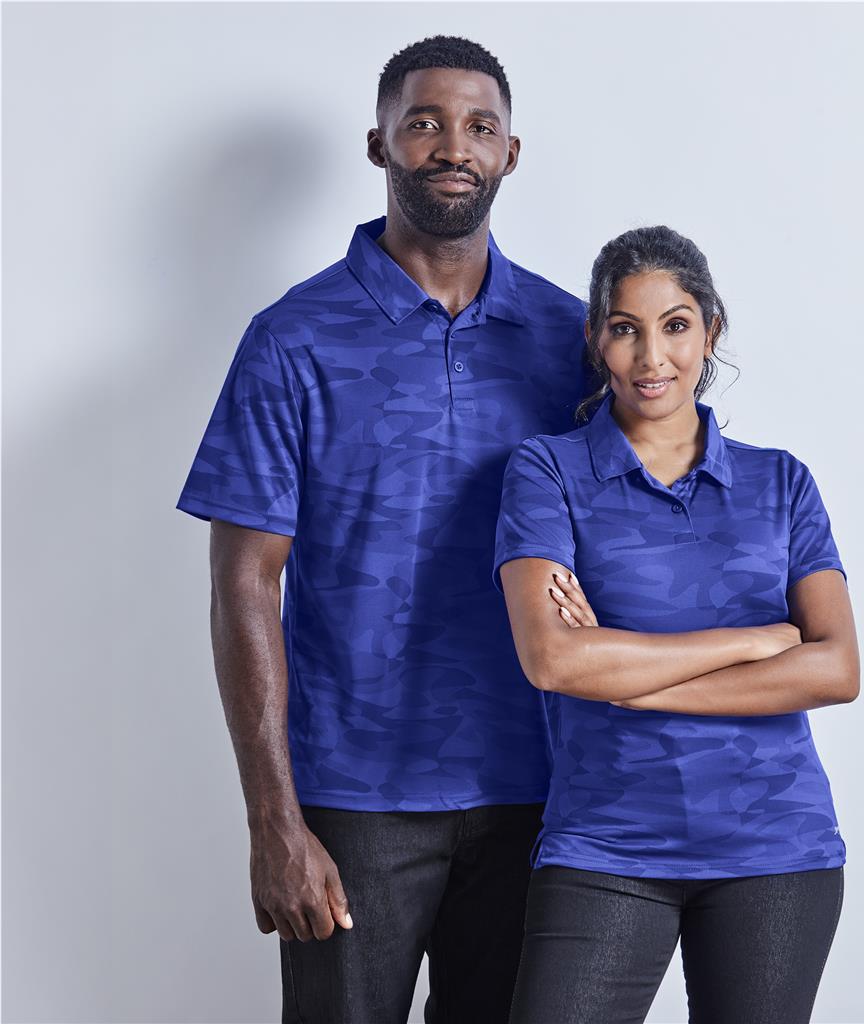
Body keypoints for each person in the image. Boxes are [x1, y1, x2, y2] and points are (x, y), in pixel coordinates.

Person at [175, 35, 593, 1024]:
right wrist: (274, 820)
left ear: (510, 152)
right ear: (379, 144)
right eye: (424, 122)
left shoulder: (571, 339)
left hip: (541, 790)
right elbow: (243, 583)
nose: (453, 145)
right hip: (354, 799)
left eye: (478, 126)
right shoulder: (293, 338)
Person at [493, 225, 859, 1024]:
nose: (652, 357)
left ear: (710, 331)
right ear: (596, 339)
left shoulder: (783, 483)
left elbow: (836, 670)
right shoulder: (548, 471)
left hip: (776, 849)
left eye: (676, 325)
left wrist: (629, 683)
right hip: (604, 843)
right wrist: (754, 641)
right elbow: (554, 660)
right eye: (625, 328)